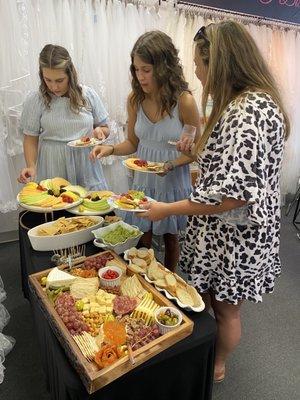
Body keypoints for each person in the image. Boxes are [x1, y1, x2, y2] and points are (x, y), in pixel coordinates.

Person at [138, 21, 289, 382]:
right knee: (204, 296)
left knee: (226, 310)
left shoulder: (248, 111)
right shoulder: (245, 102)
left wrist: (166, 210)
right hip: (223, 229)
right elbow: (231, 167)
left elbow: (230, 196)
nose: (197, 73)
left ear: (219, 63)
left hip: (235, 234)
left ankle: (216, 364)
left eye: (200, 64)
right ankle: (204, 352)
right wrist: (198, 149)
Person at [90, 31, 200, 271]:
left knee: (171, 239)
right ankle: (143, 283)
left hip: (172, 180)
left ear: (164, 67)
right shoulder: (135, 100)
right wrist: (108, 149)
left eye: (146, 70)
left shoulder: (184, 101)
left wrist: (171, 164)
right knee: (142, 237)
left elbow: (195, 151)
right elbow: (133, 143)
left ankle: (168, 287)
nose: (140, 76)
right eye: (136, 69)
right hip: (143, 180)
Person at [18, 44, 109, 190]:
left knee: (90, 210)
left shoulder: (88, 95)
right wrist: (31, 166)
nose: (53, 87)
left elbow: (104, 128)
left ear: (70, 74)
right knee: (57, 206)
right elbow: (30, 138)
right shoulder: (36, 100)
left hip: (85, 167)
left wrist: (100, 131)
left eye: (59, 80)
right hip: (52, 166)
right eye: (48, 80)